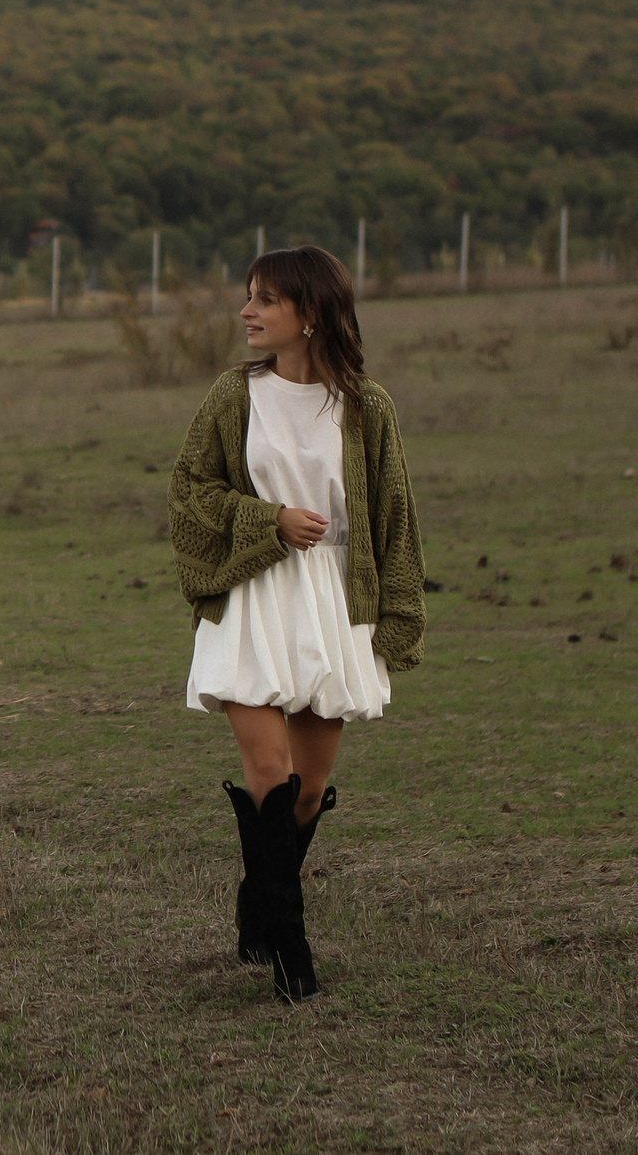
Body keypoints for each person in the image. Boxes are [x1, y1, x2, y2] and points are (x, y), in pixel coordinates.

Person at [167, 246, 425, 1000]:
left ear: (308, 312)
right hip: (252, 598)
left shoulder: (366, 406)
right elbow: (189, 488)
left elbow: (395, 517)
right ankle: (291, 948)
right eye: (248, 296)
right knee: (269, 773)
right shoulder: (233, 394)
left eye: (265, 299)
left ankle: (257, 898)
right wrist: (267, 520)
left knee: (308, 791)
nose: (247, 310)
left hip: (332, 604)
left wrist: (397, 615)